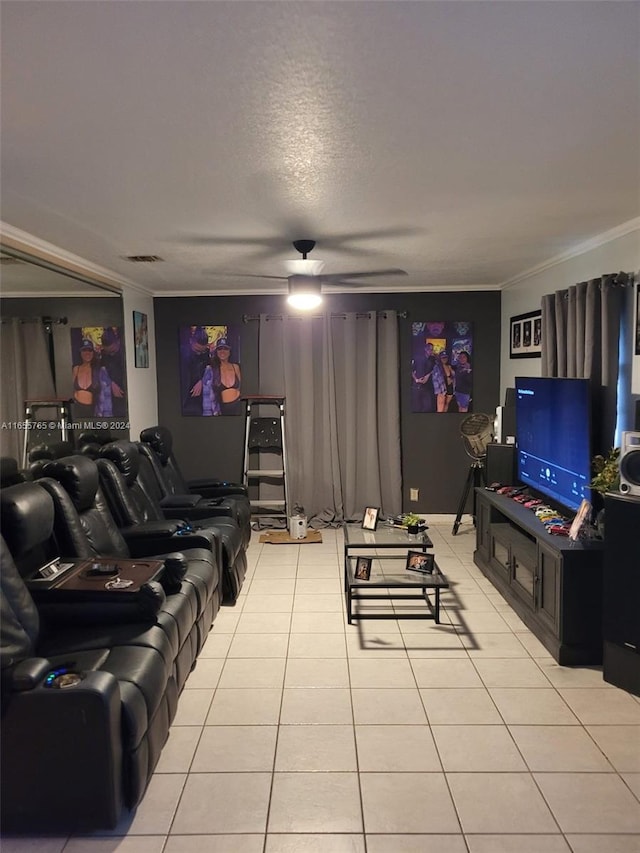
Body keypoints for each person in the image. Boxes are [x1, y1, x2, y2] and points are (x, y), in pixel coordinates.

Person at [210, 338, 242, 416]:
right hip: (222, 409)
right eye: (220, 349)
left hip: (237, 407)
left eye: (225, 349)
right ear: (216, 352)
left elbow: (240, 387)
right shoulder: (213, 369)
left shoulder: (236, 367)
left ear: (229, 351)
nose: (222, 351)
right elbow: (210, 392)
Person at [72, 339, 100, 417]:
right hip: (77, 409)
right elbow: (69, 389)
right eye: (84, 350)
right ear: (80, 353)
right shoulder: (76, 369)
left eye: (90, 350)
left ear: (93, 353)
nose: (87, 353)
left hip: (92, 411)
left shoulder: (97, 370)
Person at [412, 341, 437, 412]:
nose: (431, 351)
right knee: (417, 407)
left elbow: (434, 370)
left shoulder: (433, 359)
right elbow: (411, 370)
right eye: (429, 349)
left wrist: (427, 376)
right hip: (417, 386)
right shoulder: (418, 358)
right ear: (425, 349)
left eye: (432, 349)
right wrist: (416, 379)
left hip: (427, 387)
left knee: (428, 407)